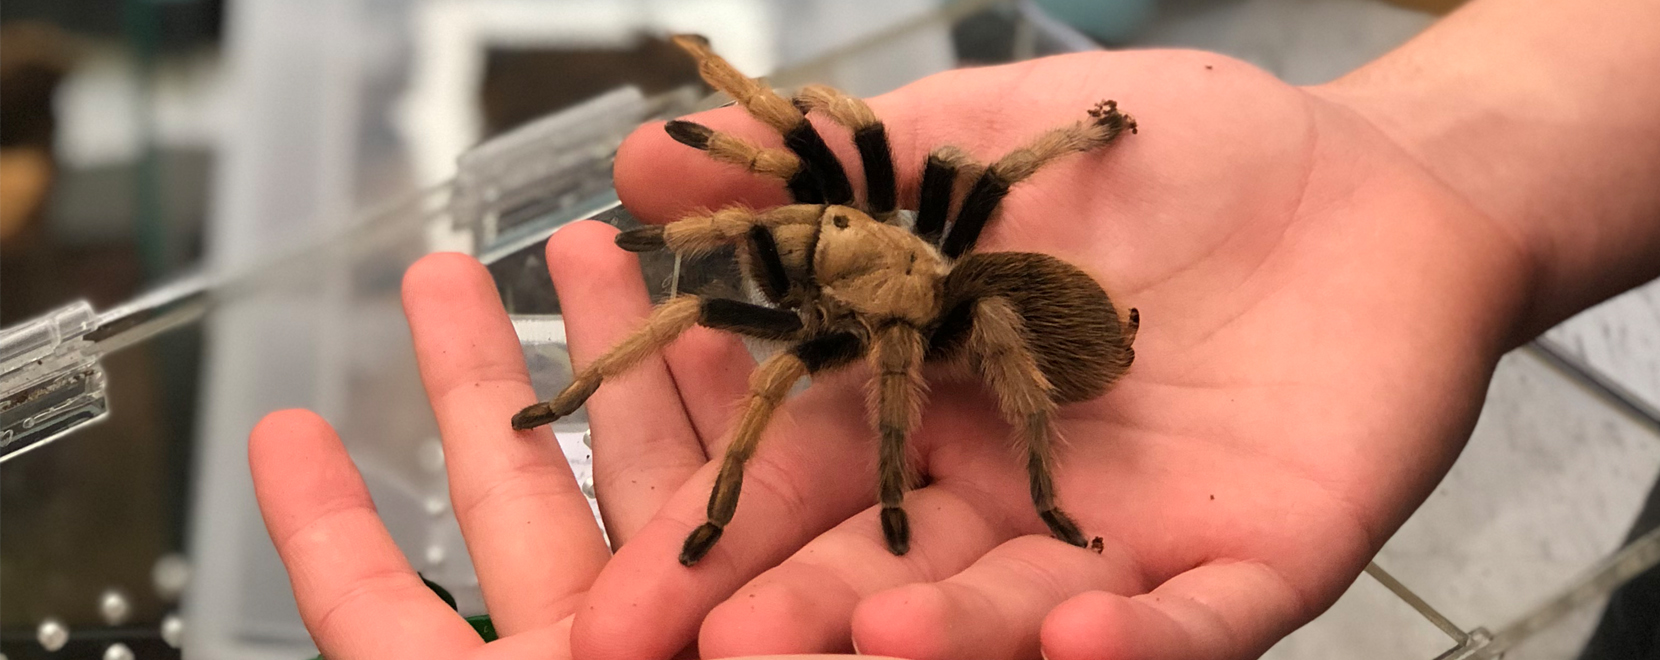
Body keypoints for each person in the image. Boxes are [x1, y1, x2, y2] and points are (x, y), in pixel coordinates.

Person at [246, 0, 1660, 657]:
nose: (807, 225)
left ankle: (1029, 476)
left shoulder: (909, 301)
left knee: (832, 338)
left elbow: (887, 162)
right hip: (953, 292)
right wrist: (709, 74)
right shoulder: (838, 225)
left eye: (819, 223)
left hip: (1013, 325)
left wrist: (920, 479)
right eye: (810, 223)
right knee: (774, 199)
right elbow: (812, 141)